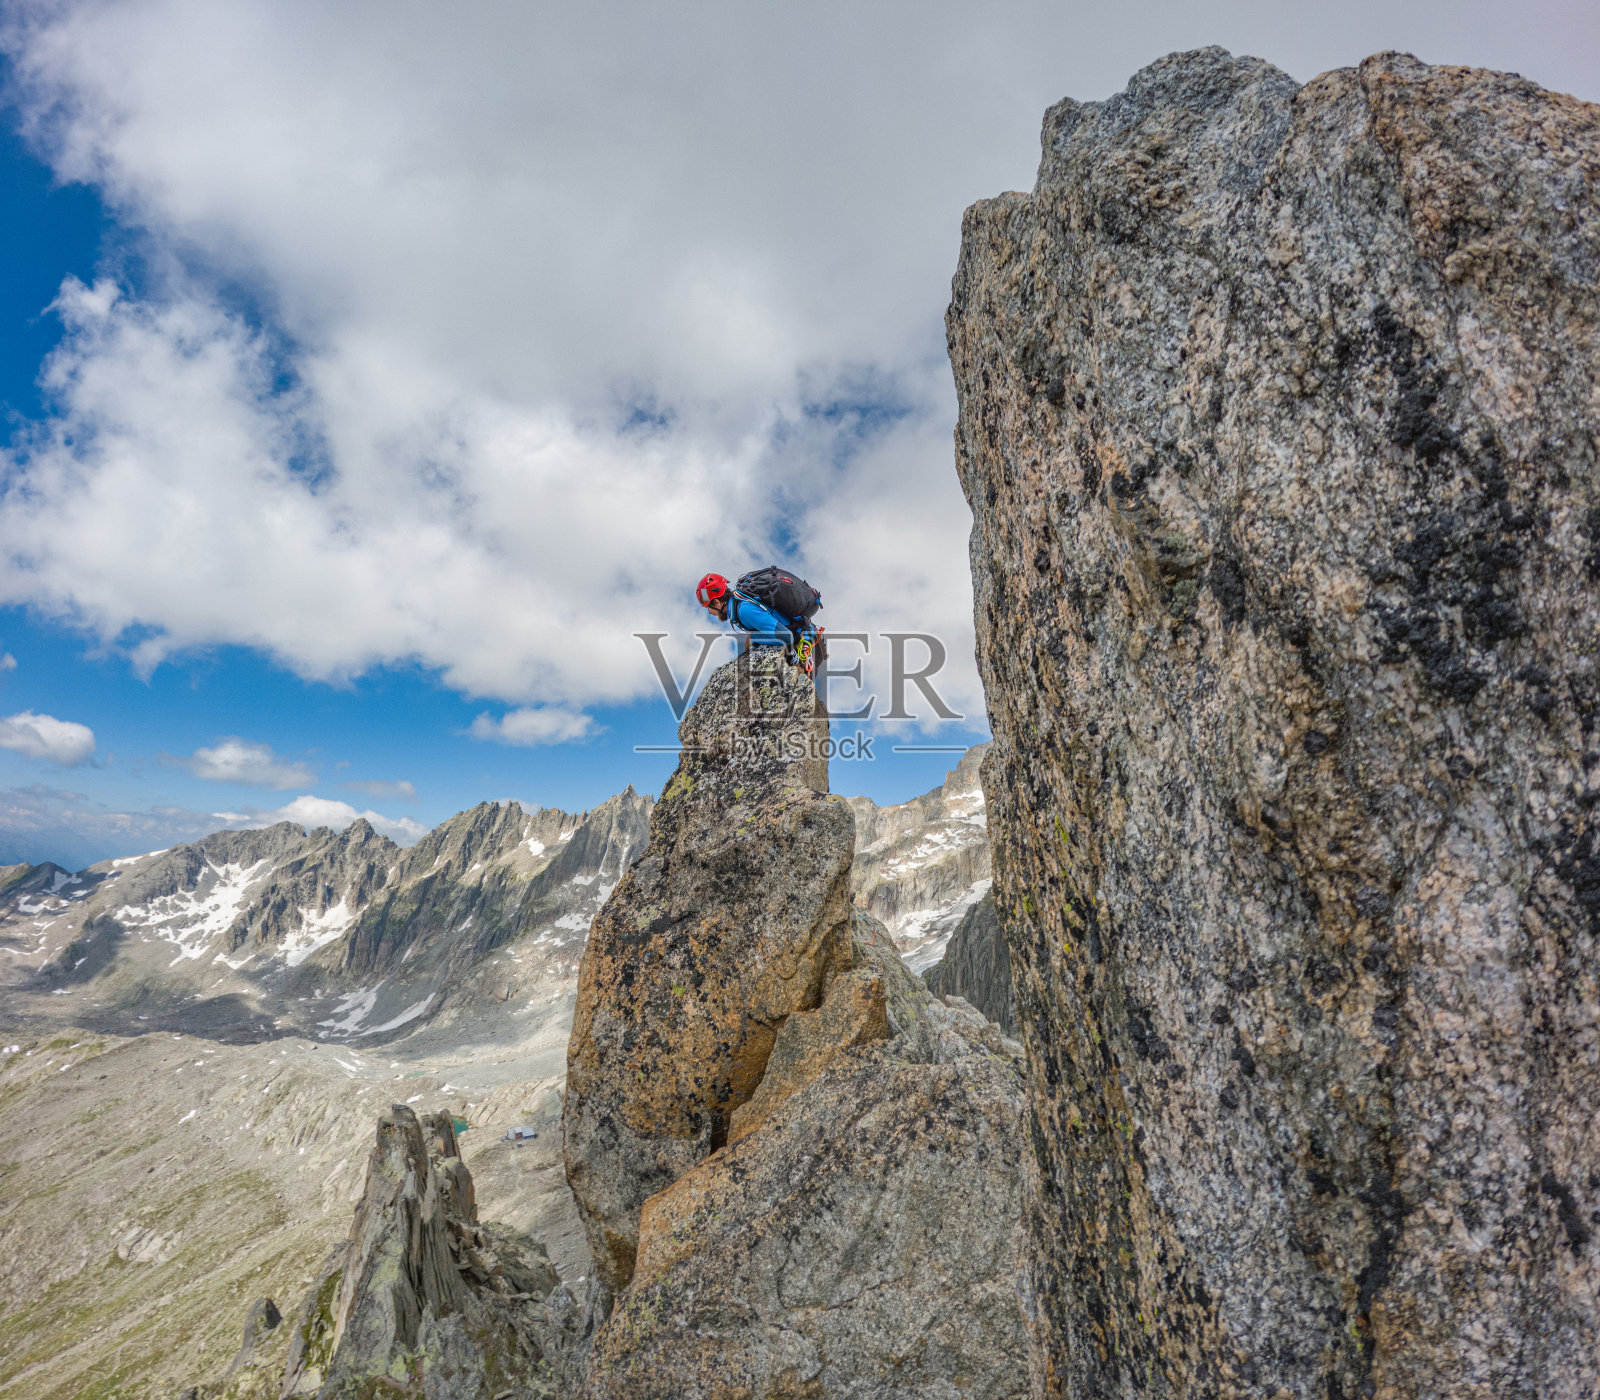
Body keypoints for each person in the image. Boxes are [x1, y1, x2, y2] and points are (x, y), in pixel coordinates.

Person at [696, 571, 821, 671]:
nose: (710, 613)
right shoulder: (740, 599)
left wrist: (753, 638)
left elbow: (786, 636)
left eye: (708, 608)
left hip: (808, 644)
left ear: (717, 603)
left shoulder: (744, 610)